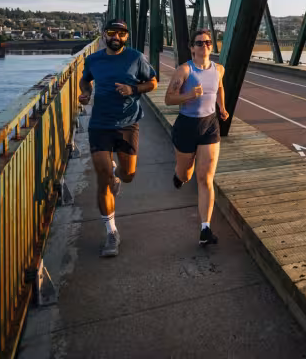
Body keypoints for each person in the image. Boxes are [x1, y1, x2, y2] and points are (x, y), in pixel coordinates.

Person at [79, 19, 158, 257]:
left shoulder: (135, 58)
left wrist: (133, 90)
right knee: (101, 177)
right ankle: (111, 232)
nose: (117, 36)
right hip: (100, 124)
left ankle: (117, 175)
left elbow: (153, 82)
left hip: (127, 124)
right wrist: (86, 92)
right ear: (104, 35)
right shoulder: (93, 59)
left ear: (126, 36)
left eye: (121, 33)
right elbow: (86, 78)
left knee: (129, 175)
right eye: (112, 32)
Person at [164, 28, 228, 246]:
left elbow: (219, 87)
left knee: (205, 178)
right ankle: (178, 175)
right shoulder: (184, 70)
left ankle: (205, 229)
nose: (205, 46)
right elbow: (168, 99)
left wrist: (223, 107)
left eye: (208, 42)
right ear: (192, 48)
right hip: (186, 126)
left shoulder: (219, 68)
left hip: (210, 126)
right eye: (200, 43)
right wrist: (189, 95)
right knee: (186, 175)